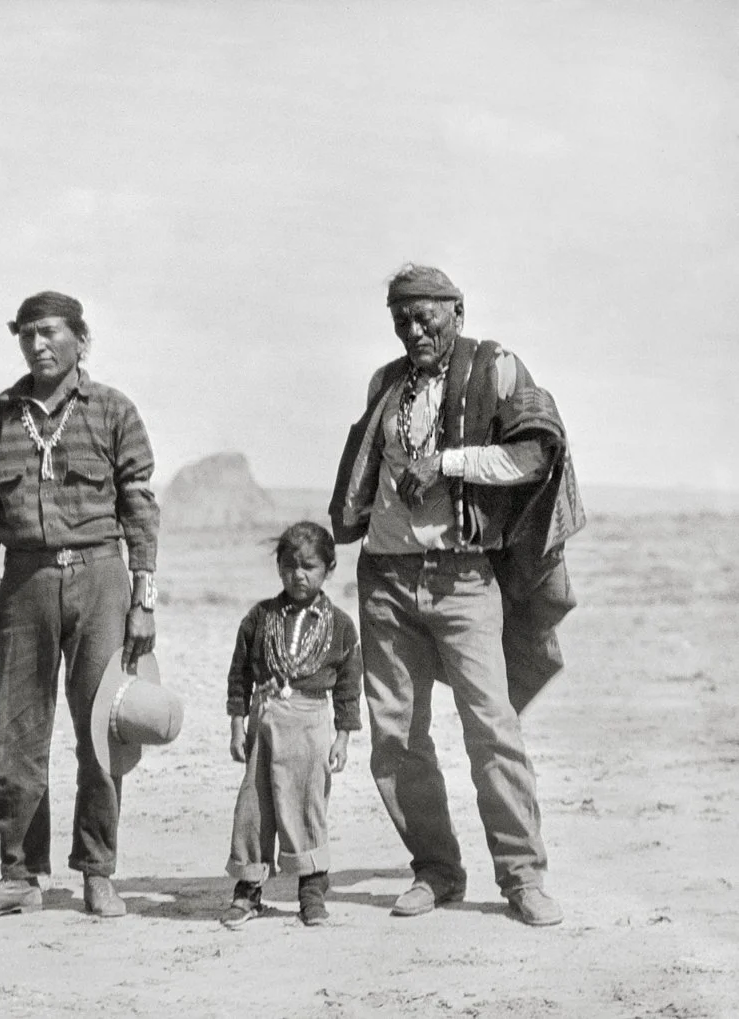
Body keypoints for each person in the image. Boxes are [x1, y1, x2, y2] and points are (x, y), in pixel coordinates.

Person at [329, 264, 584, 927]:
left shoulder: (496, 368)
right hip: (384, 578)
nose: (413, 330)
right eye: (401, 320)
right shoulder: (387, 383)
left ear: (458, 312)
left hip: (464, 576)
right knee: (395, 736)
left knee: (491, 729)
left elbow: (533, 455)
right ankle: (435, 869)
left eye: (426, 317)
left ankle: (523, 876)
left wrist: (446, 461)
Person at [0, 291, 159, 921]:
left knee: (102, 731)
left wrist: (144, 597)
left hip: (101, 577)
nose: (37, 345)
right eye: (26, 336)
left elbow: (139, 506)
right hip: (23, 584)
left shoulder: (112, 409)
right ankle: (19, 875)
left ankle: (99, 870)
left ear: (80, 338)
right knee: (16, 737)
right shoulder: (1, 414)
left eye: (49, 333)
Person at [221, 522, 361, 929]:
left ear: (329, 569)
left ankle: (312, 893)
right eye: (289, 566)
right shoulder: (259, 617)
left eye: (309, 567)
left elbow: (349, 686)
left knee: (307, 806)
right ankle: (248, 892)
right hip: (264, 724)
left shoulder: (340, 626)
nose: (298, 575)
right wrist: (236, 723)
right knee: (255, 808)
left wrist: (343, 737)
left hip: (312, 724)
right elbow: (239, 675)